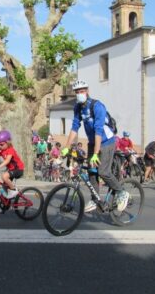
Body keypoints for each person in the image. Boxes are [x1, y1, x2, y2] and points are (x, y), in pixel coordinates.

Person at [61, 80, 128, 213]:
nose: (79, 94)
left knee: (103, 171)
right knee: (92, 171)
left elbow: (98, 130)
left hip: (107, 141)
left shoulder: (98, 106)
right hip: (92, 142)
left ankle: (121, 193)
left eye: (82, 91)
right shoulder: (78, 107)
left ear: (87, 91)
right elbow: (75, 127)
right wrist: (67, 147)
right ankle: (95, 199)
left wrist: (96, 153)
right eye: (77, 92)